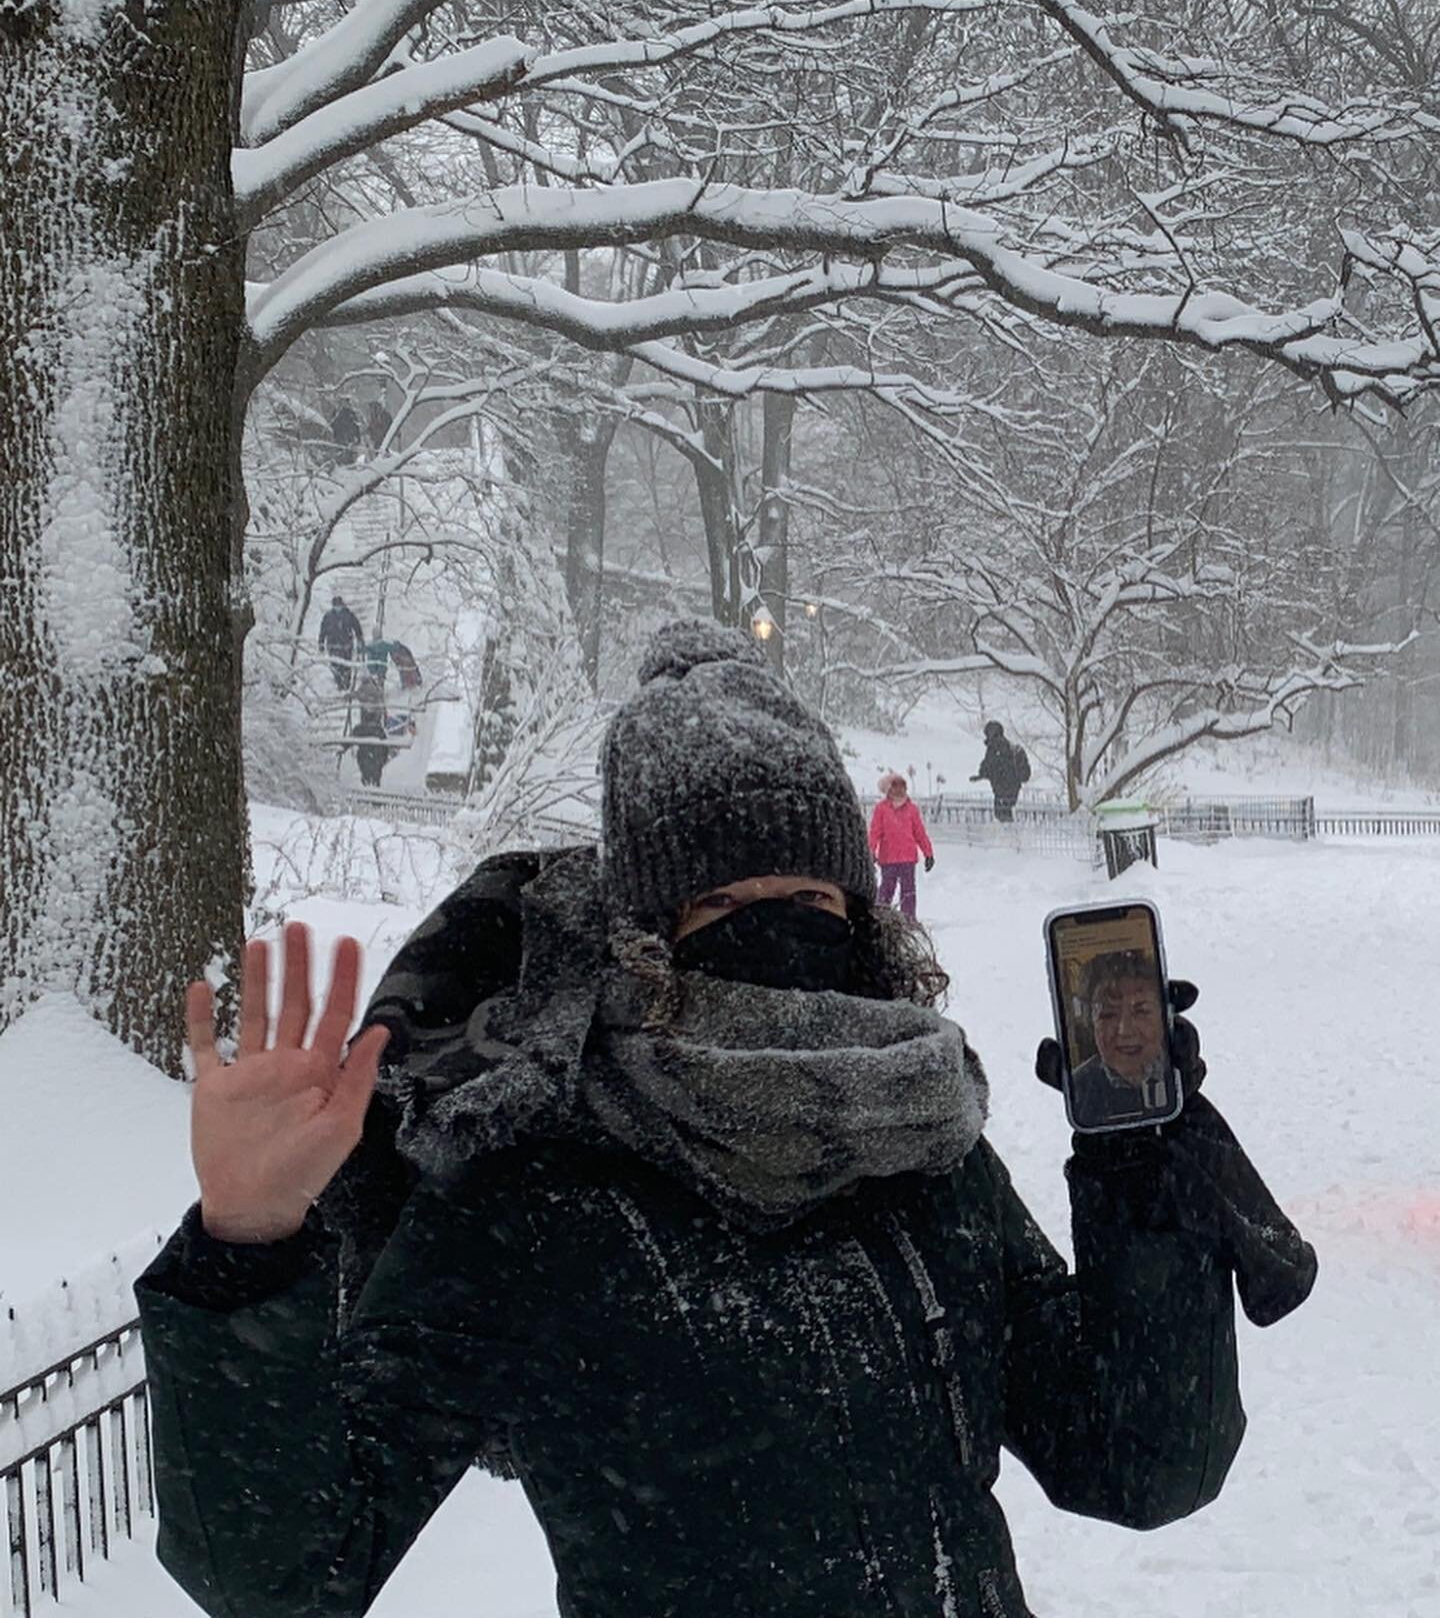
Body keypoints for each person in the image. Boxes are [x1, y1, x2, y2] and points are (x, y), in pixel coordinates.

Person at [137, 619, 1316, 1618]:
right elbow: (286, 1570)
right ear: (644, 932)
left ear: (863, 918)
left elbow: (1143, 1459)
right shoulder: (535, 1194)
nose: (780, 929)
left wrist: (1140, 1172)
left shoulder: (921, 1148)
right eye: (721, 900)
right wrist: (245, 1243)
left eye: (811, 894)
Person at [1067, 951, 1170, 1129]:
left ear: (1163, 1016)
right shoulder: (1079, 1088)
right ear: (1091, 1024)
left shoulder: (1180, 1079)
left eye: (1141, 1011)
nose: (1125, 1031)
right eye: (1107, 1014)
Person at [868, 771, 935, 921]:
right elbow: (874, 832)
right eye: (895, 786)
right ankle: (880, 917)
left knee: (908, 891)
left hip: (908, 857)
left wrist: (928, 853)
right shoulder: (881, 809)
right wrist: (871, 851)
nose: (899, 790)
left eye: (902, 786)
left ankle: (909, 919)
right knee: (886, 889)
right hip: (888, 858)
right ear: (888, 790)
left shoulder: (912, 809)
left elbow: (920, 833)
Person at [971, 720, 1027, 822]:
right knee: (1005, 813)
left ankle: (1009, 835)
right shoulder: (1008, 746)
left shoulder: (995, 747)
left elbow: (989, 765)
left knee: (1002, 815)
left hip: (1002, 788)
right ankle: (1011, 833)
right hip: (1012, 787)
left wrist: (982, 774)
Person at [350, 674, 391, 788]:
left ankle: (367, 782)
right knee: (374, 769)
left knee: (367, 766)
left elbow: (358, 695)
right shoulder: (376, 688)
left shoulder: (365, 688)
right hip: (375, 728)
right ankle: (375, 783)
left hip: (368, 727)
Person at [317, 594, 364, 692]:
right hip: (333, 646)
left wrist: (360, 641)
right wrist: (321, 644)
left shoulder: (349, 615)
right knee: (335, 666)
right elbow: (323, 631)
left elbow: (357, 628)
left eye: (339, 605)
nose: (338, 607)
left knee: (346, 666)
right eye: (335, 605)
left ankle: (347, 684)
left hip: (346, 645)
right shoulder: (328, 616)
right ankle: (339, 684)